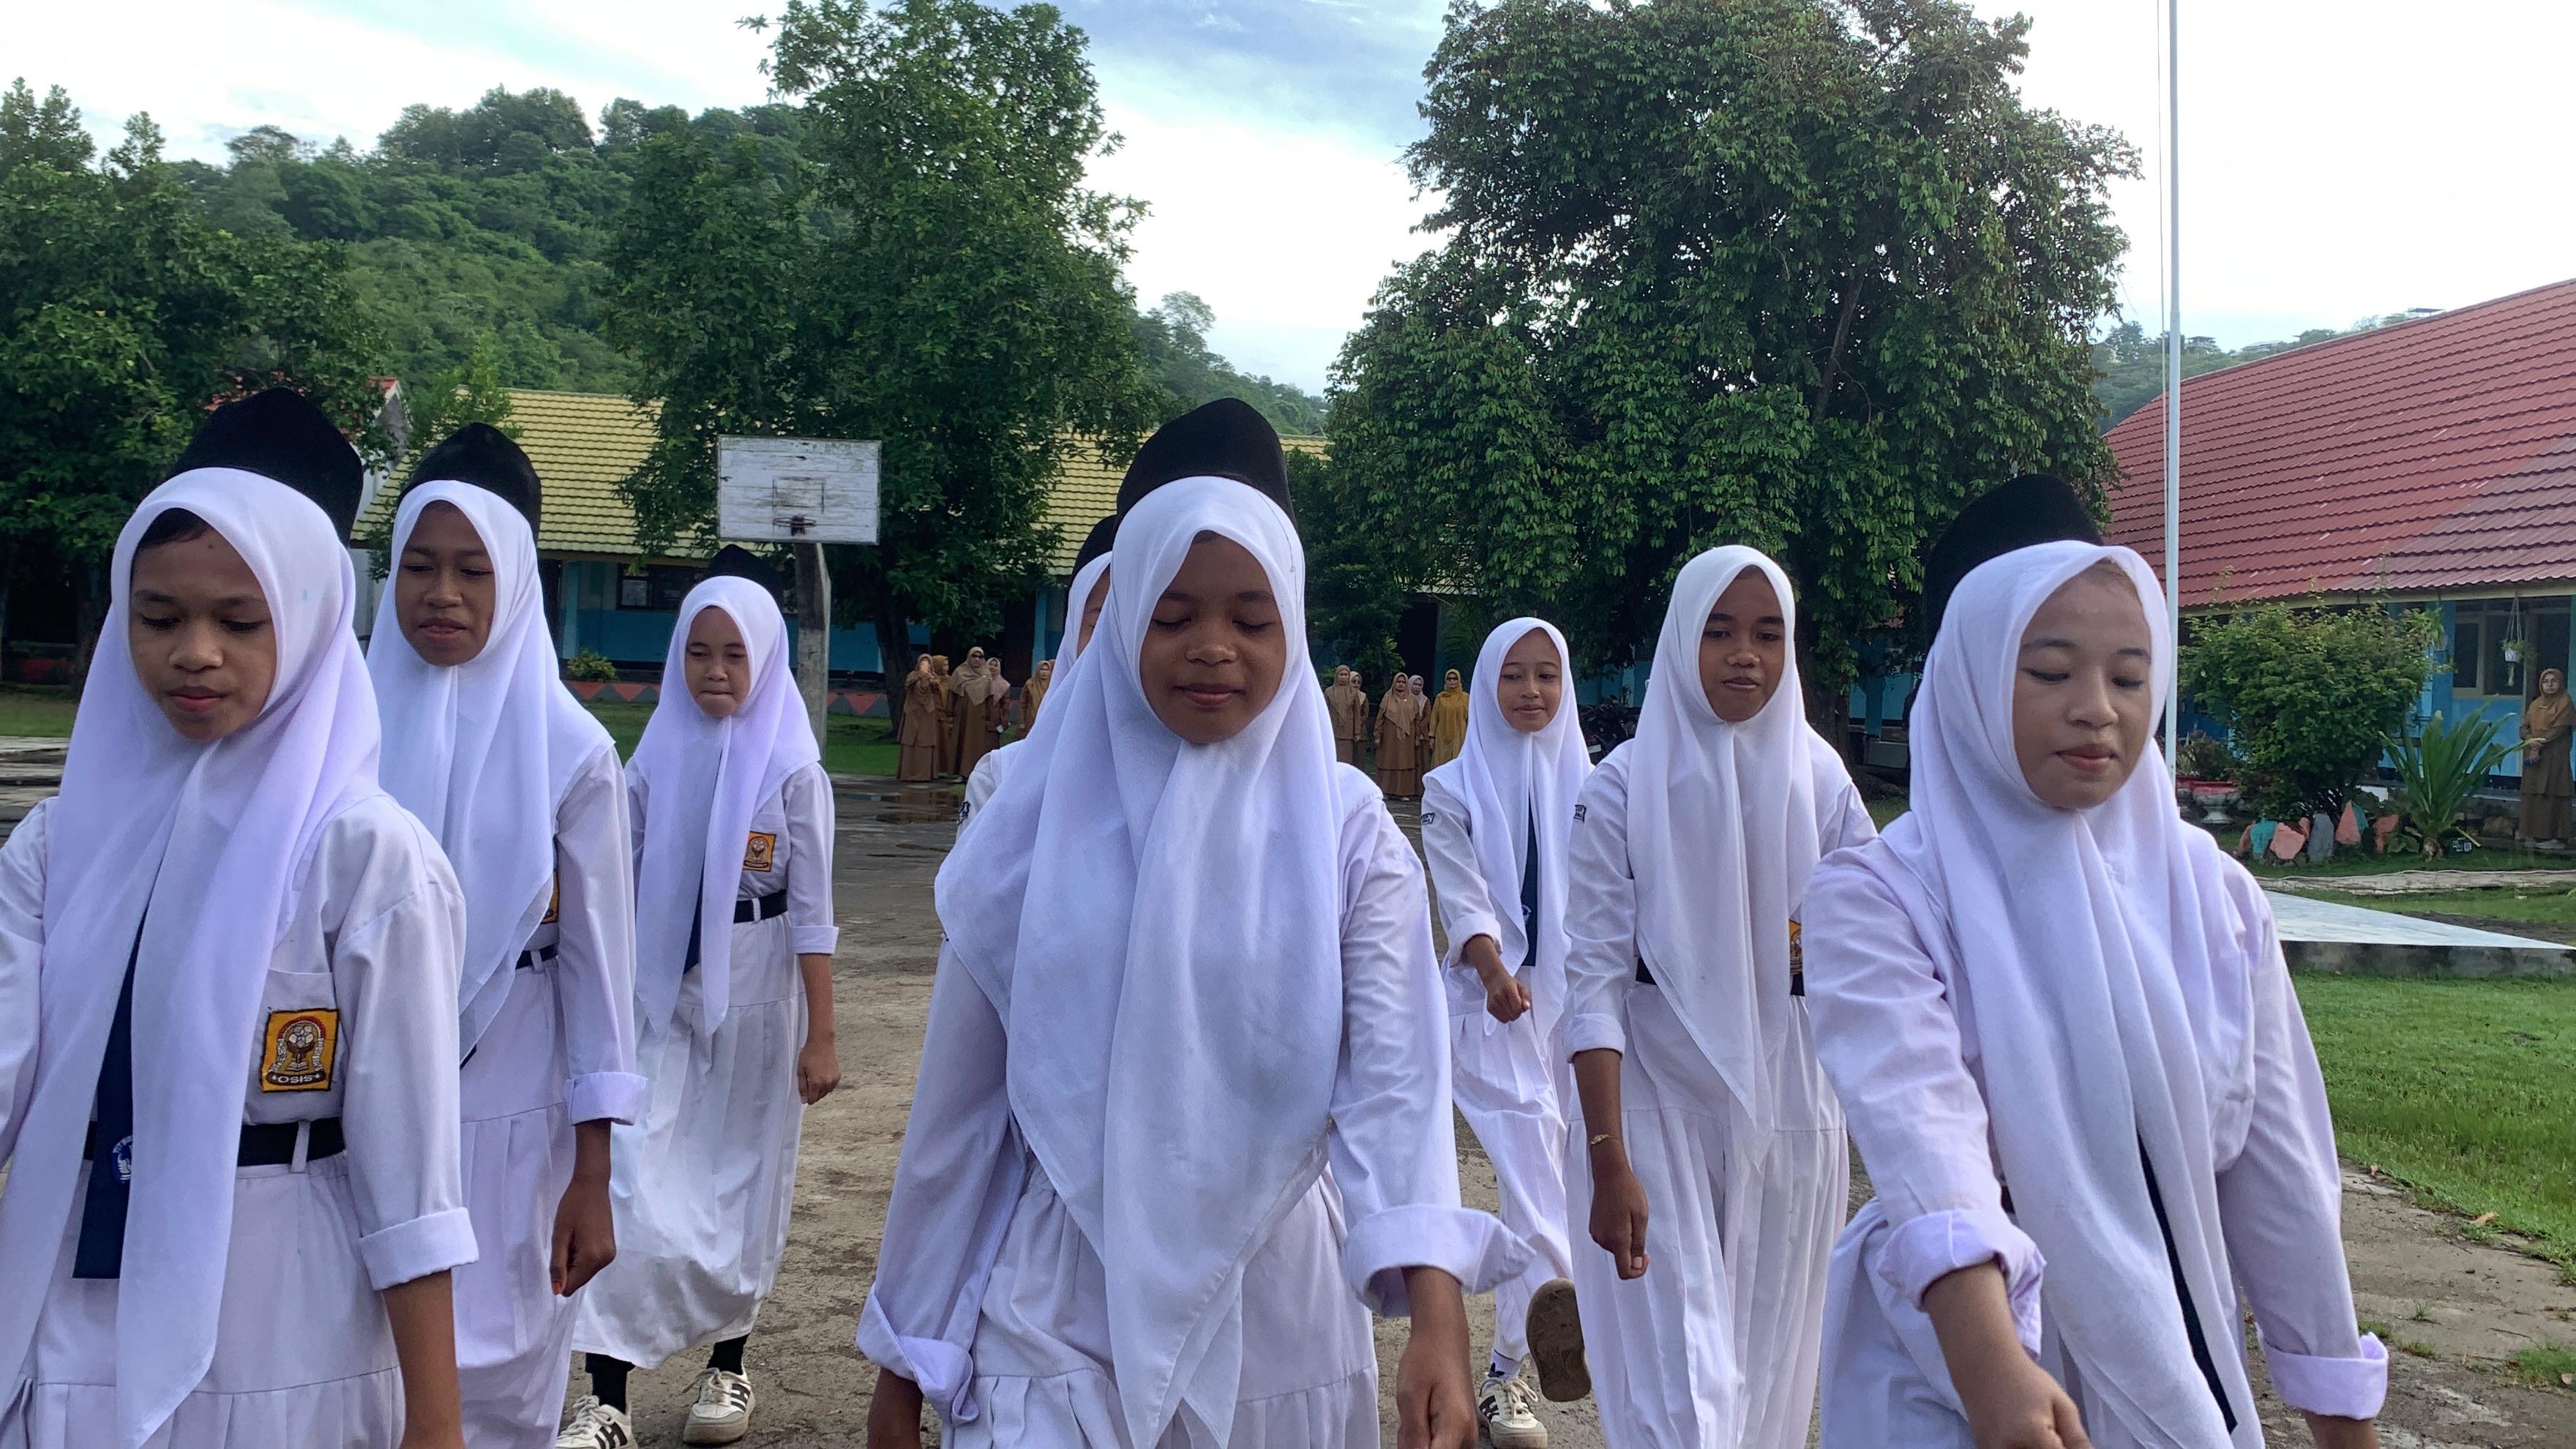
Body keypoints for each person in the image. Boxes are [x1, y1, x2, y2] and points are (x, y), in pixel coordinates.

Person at [861, 475, 1525, 1449]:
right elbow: (961, 1114)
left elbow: (1395, 1086)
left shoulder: (1347, 834)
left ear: (1293, 632)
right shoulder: (1027, 831)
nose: (1214, 647)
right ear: (1123, 623)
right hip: (1056, 1290)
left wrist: (1438, 1318)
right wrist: (906, 1359)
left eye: (1252, 620)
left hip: (1276, 1300)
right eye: (1173, 617)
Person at [1805, 541, 2386, 1449]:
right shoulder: (1881, 898)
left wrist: (2343, 1422)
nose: (2096, 709)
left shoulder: (2214, 898)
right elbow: (1924, 1136)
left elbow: (2281, 1182)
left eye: (2128, 677)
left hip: (2176, 1337)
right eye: (2049, 672)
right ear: (1972, 682)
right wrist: (1992, 1367)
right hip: (1958, 1357)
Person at [0, 397, 477, 1449]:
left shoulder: (364, 858)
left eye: (239, 622)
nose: (196, 653)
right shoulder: (57, 846)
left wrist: (437, 1424)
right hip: (68, 1298)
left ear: (306, 624)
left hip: (285, 1319)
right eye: (159, 618)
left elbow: (411, 1166)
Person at [1562, 546, 1876, 1449]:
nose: (1746, 655)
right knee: (1684, 1399)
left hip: (1792, 1108)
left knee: (1768, 1388)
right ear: (1680, 640)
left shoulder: (1820, 782)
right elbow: (1593, 981)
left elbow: (1874, 950)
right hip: (1653, 1105)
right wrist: (1608, 1160)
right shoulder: (1621, 789)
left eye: (1768, 634)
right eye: (1720, 631)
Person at [368, 425, 645, 1449]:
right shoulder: (341, 731)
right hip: (366, 1116)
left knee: (500, 1381)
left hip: (517, 1124)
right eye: (420, 566)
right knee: (365, 1379)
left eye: (472, 570)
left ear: (516, 579)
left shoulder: (573, 754)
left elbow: (600, 978)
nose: (442, 594)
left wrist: (593, 1177)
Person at [562, 568, 842, 1449]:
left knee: (741, 1178)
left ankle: (729, 1365)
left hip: (758, 993)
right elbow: (613, 882)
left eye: (734, 655)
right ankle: (606, 1396)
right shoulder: (652, 762)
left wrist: (823, 1034)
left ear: (765, 662)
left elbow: (813, 913)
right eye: (698, 652)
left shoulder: (792, 770)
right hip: (658, 992)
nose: (715, 671)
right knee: (630, 1173)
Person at [1419, 621, 1591, 1448]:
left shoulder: (1594, 788)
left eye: (1546, 675)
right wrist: (1492, 972)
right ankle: (1565, 1319)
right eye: (1514, 675)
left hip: (1573, 1010)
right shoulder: (1448, 789)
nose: (1531, 691)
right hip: (1487, 1007)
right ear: (1487, 683)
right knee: (1533, 1170)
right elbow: (1462, 898)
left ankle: (1504, 1372)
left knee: (1561, 1174)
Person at [962, 521, 1117, 828]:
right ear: (1072, 628)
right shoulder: (1000, 781)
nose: (1125, 647)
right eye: (1102, 625)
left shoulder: (1208, 786)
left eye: (1162, 622)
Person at [2521, 667, 2572, 848]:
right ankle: (2532, 835)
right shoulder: (2535, 704)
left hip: (2554, 756)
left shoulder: (2565, 703)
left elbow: (2560, 729)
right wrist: (2530, 740)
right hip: (2535, 757)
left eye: (2554, 681)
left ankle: (2557, 838)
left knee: (2554, 791)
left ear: (2560, 683)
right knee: (2532, 792)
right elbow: (2524, 728)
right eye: (2546, 681)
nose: (2549, 685)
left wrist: (2538, 743)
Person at [1377, 673, 1426, 798]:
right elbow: (1380, 718)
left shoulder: (1412, 700)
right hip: (1390, 736)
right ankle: (1386, 791)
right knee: (1389, 761)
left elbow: (1417, 720)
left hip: (1407, 738)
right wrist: (1377, 735)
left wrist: (1417, 737)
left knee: (1405, 762)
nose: (1401, 684)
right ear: (1394, 683)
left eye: (1403, 682)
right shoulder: (1387, 698)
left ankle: (1404, 792)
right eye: (1398, 682)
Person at [899, 655, 943, 784]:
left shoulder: (934, 678)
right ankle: (907, 772)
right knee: (910, 740)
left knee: (926, 741)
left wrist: (929, 679)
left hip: (927, 714)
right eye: (923, 663)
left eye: (927, 663)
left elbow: (937, 690)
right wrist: (919, 676)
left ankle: (925, 773)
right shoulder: (913, 675)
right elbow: (908, 685)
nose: (925, 666)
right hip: (912, 712)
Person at [1326, 664, 1372, 766]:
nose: (1343, 677)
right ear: (1336, 676)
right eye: (1341, 675)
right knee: (1333, 760)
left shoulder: (1353, 693)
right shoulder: (1329, 692)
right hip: (1333, 731)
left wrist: (1357, 733)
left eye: (1346, 675)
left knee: (1346, 761)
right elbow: (1325, 711)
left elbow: (1357, 714)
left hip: (1348, 733)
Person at [1428, 667, 1471, 768]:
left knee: (1458, 761)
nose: (1452, 681)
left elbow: (1470, 718)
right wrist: (1432, 737)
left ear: (1459, 680)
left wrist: (1470, 736)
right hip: (1442, 736)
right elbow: (1434, 718)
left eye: (1455, 679)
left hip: (1460, 735)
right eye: (1449, 679)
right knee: (1441, 762)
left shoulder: (1465, 697)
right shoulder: (1440, 698)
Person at [932, 654, 959, 778]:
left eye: (947, 665)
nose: (946, 668)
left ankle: (947, 769)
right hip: (935, 716)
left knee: (946, 743)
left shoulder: (950, 681)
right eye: (944, 665)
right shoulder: (933, 680)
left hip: (946, 716)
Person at [1024, 659, 1054, 727]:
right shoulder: (1030, 684)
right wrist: (1022, 722)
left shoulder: (1053, 685)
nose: (1044, 672)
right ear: (1038, 670)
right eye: (1042, 669)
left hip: (1047, 719)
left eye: (1047, 670)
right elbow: (1023, 704)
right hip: (1031, 719)